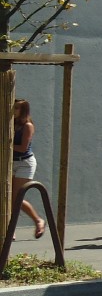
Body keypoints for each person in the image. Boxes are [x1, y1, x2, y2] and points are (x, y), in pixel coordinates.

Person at [11, 98, 47, 239]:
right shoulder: (11, 124)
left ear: (23, 110)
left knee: (16, 198)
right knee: (8, 198)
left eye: (17, 108)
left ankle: (38, 220)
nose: (14, 110)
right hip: (11, 163)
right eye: (13, 107)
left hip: (24, 163)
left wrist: (6, 145)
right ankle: (9, 229)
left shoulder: (27, 126)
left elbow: (22, 148)